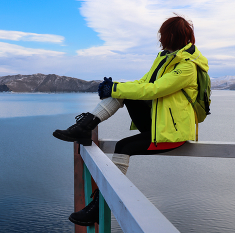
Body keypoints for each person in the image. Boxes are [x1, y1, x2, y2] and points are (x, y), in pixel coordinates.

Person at [53, 14, 209, 226]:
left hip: (174, 133)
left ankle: (99, 206)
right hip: (158, 125)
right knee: (123, 92)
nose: (161, 39)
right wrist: (116, 87)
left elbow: (155, 90)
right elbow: (143, 82)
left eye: (163, 35)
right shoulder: (165, 58)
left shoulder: (188, 66)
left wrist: (115, 88)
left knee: (124, 145)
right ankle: (84, 126)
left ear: (170, 36)